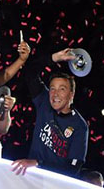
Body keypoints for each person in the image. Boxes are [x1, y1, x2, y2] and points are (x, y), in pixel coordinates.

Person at [11, 48, 88, 177]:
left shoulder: (80, 126)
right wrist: (54, 57)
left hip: (54, 183)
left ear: (71, 94)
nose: (55, 94)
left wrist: (39, 163)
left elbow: (73, 168)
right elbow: (30, 71)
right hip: (30, 177)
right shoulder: (44, 101)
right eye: (52, 89)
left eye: (62, 89)